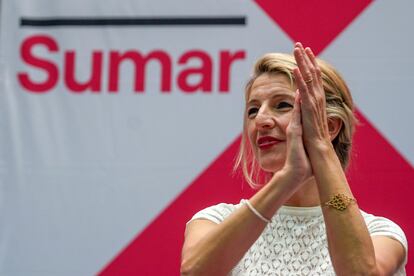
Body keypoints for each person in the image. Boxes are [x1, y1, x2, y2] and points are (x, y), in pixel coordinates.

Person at [180, 43, 408, 275]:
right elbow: (194, 272)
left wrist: (319, 145)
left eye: (282, 105)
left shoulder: (380, 233)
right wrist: (288, 178)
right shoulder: (215, 220)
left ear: (330, 126)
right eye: (253, 110)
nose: (261, 120)